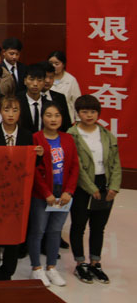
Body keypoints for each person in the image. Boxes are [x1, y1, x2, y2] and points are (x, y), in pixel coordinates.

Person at [68, 94, 121, 285]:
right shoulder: (72, 135)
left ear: (98, 113)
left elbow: (115, 162)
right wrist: (90, 188)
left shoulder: (106, 134)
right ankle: (80, 263)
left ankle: (95, 263)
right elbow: (76, 165)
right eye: (84, 111)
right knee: (79, 225)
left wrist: (114, 187)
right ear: (78, 113)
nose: (89, 115)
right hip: (82, 186)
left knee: (99, 227)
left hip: (104, 184)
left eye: (93, 111)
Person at [0, 97, 34, 281]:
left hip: (17, 193)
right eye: (6, 110)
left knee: (13, 233)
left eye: (15, 110)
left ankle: (8, 272)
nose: (10, 114)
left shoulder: (27, 135)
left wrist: (39, 155)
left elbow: (32, 165)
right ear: (0, 112)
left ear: (20, 113)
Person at [28, 101, 79, 288]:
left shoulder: (68, 139)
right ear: (42, 117)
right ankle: (36, 268)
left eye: (57, 115)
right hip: (42, 194)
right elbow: (33, 169)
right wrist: (46, 193)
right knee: (38, 231)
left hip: (63, 193)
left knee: (55, 230)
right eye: (48, 115)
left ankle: (51, 267)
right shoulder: (35, 138)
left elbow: (74, 167)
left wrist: (69, 191)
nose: (53, 119)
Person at [19, 65, 73, 134]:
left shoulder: (48, 104)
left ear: (44, 82)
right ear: (25, 81)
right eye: (31, 79)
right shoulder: (17, 101)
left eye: (39, 80)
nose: (35, 84)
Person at [49, 51, 81, 122]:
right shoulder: (45, 79)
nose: (53, 66)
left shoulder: (71, 80)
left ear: (63, 64)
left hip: (66, 117)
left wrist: (78, 120)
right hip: (48, 117)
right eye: (51, 63)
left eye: (57, 64)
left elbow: (76, 101)